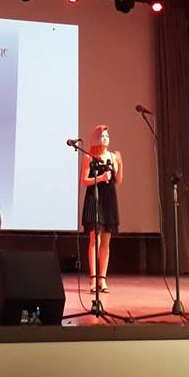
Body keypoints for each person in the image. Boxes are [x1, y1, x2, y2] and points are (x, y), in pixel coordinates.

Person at [81, 123, 123, 293]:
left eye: (107, 136)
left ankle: (102, 279)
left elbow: (117, 180)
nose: (105, 139)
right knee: (94, 240)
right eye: (102, 136)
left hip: (109, 201)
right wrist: (101, 177)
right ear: (96, 138)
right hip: (95, 199)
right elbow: (84, 180)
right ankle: (93, 279)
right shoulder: (89, 156)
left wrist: (120, 164)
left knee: (106, 241)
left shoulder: (112, 156)